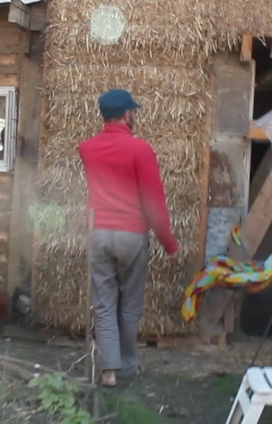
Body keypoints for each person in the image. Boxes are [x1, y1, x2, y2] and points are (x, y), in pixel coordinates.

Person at [77, 88, 180, 388]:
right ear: (127, 114)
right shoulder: (140, 150)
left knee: (104, 303)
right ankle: (129, 364)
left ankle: (109, 371)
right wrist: (168, 242)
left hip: (98, 231)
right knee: (130, 304)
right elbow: (153, 202)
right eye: (132, 111)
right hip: (131, 234)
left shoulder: (86, 148)